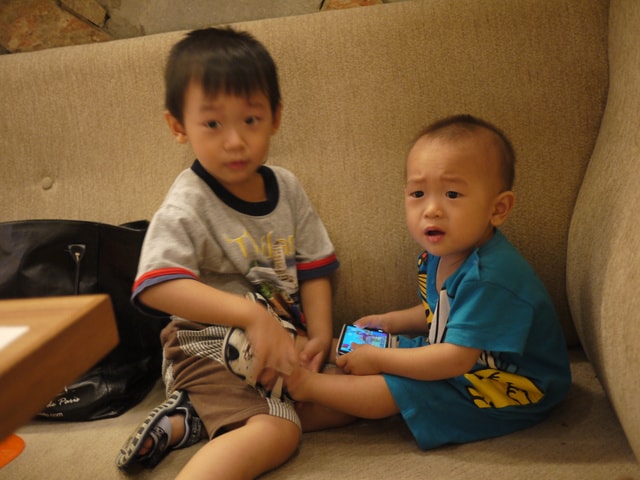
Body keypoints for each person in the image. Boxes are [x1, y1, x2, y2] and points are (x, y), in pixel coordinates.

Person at [115, 27, 339, 479]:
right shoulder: (188, 201)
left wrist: (319, 335)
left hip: (278, 343)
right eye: (213, 124)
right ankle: (212, 410)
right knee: (279, 431)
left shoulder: (287, 188)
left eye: (250, 120)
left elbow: (314, 267)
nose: (234, 140)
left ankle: (196, 418)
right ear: (178, 127)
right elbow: (157, 284)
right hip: (205, 346)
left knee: (351, 391)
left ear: (275, 117)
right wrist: (250, 316)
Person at [284, 114, 572, 448]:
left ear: (498, 208)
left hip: (507, 388)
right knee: (374, 344)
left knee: (402, 385)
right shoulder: (442, 252)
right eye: (418, 193)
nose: (431, 209)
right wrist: (390, 322)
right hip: (456, 355)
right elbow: (443, 314)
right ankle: (308, 351)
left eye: (452, 194)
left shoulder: (489, 277)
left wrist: (378, 361)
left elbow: (454, 359)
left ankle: (303, 386)